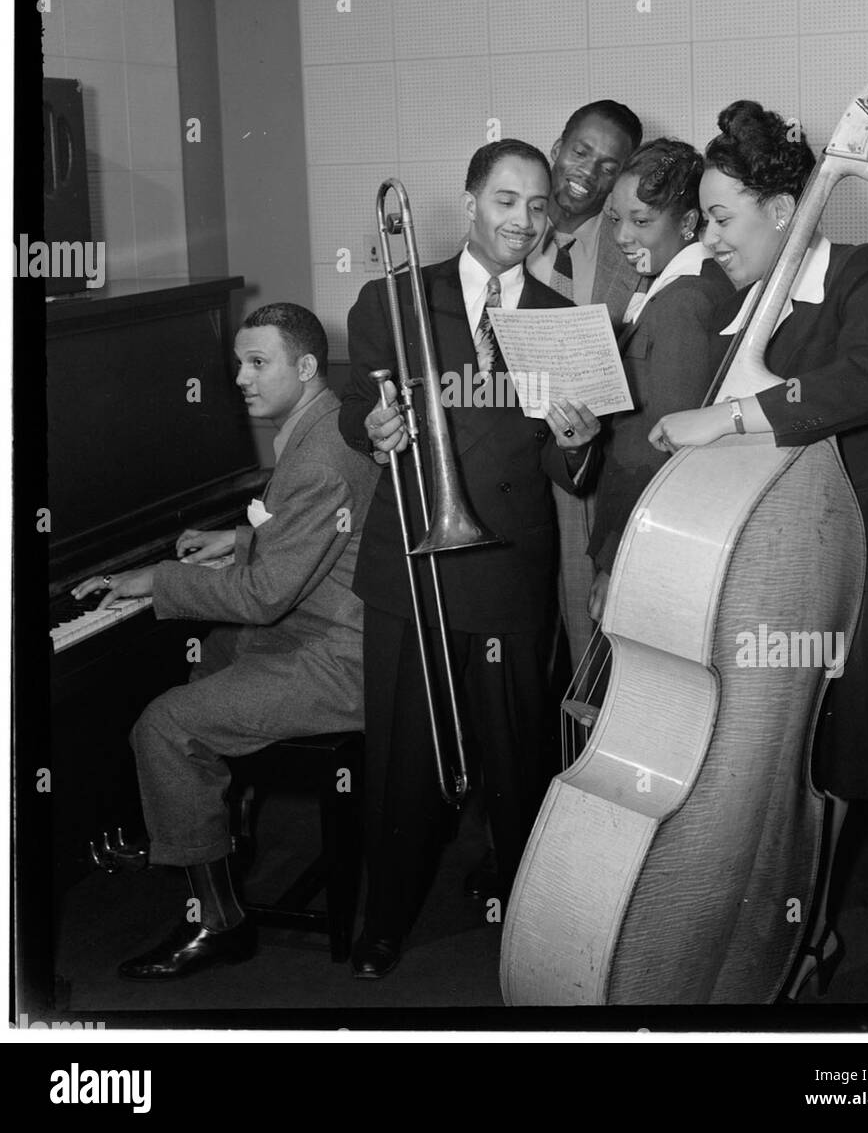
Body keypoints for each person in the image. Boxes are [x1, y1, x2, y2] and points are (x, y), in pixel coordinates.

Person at [650, 101, 868, 1004]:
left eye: (724, 218)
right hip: (791, 568)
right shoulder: (741, 307)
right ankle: (808, 931)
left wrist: (734, 412)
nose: (712, 237)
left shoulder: (866, 272)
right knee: (812, 759)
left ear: (786, 208)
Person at [340, 139, 600, 979]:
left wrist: (580, 444)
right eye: (505, 201)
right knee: (399, 762)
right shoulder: (391, 299)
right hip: (414, 567)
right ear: (470, 201)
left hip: (510, 570)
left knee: (520, 760)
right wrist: (371, 433)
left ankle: (528, 924)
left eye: (537, 207)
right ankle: (383, 920)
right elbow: (357, 410)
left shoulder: (561, 318)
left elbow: (567, 466)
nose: (522, 221)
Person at [72, 303, 378, 981]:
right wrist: (240, 540)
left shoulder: (320, 455)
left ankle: (220, 921)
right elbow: (317, 534)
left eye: (258, 362)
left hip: (341, 659)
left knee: (164, 724)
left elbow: (262, 596)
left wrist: (158, 579)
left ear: (304, 366)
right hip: (331, 623)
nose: (240, 377)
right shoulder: (327, 423)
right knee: (211, 652)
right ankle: (204, 826)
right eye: (239, 361)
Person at [585, 137, 735, 623]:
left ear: (689, 223)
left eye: (642, 221)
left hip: (645, 544)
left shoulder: (684, 303)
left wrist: (613, 561)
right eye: (615, 219)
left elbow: (666, 452)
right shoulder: (678, 288)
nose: (623, 236)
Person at [526, 100, 643, 672]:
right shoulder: (510, 232)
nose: (589, 171)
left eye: (609, 165)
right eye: (581, 152)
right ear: (557, 149)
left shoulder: (637, 257)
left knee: (588, 644)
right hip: (499, 469)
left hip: (582, 476)